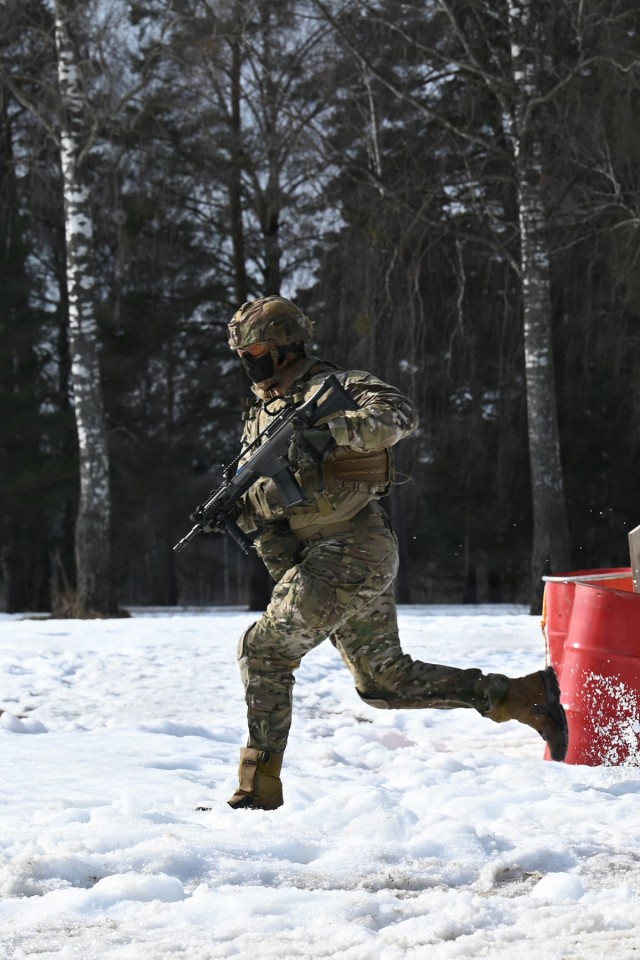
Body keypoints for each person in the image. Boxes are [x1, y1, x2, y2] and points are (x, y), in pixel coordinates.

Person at [216, 295, 568, 811]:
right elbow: (276, 513)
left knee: (264, 649)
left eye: (259, 348)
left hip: (355, 547)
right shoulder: (262, 413)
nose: (250, 360)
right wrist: (245, 514)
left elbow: (399, 415)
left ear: (287, 344)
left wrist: (326, 434)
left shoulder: (335, 387)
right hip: (322, 558)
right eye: (245, 352)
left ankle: (259, 784)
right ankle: (524, 697)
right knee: (384, 682)